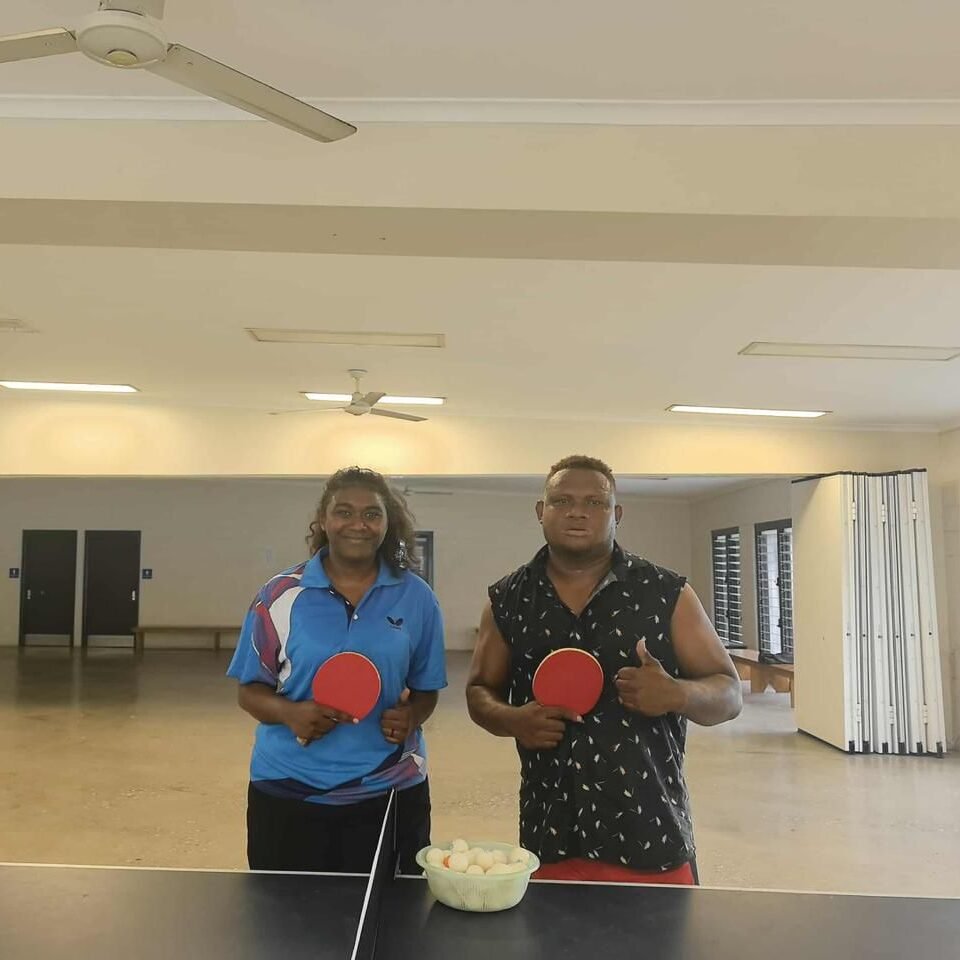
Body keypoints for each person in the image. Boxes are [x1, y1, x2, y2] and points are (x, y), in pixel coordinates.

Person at [466, 454, 741, 883]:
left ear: (617, 514)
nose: (577, 511)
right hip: (549, 833)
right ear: (541, 511)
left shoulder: (666, 593)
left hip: (651, 831)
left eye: (594, 502)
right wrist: (512, 719)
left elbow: (729, 692)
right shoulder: (508, 599)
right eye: (562, 500)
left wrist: (677, 694)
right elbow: (480, 690)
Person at [227, 467, 447, 874]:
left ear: (388, 523)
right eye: (344, 512)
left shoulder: (417, 597)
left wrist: (412, 715)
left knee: (395, 912)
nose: (357, 524)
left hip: (390, 788)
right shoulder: (279, 594)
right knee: (283, 912)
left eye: (372, 514)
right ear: (323, 521)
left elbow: (426, 688)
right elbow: (250, 690)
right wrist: (291, 713)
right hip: (287, 788)